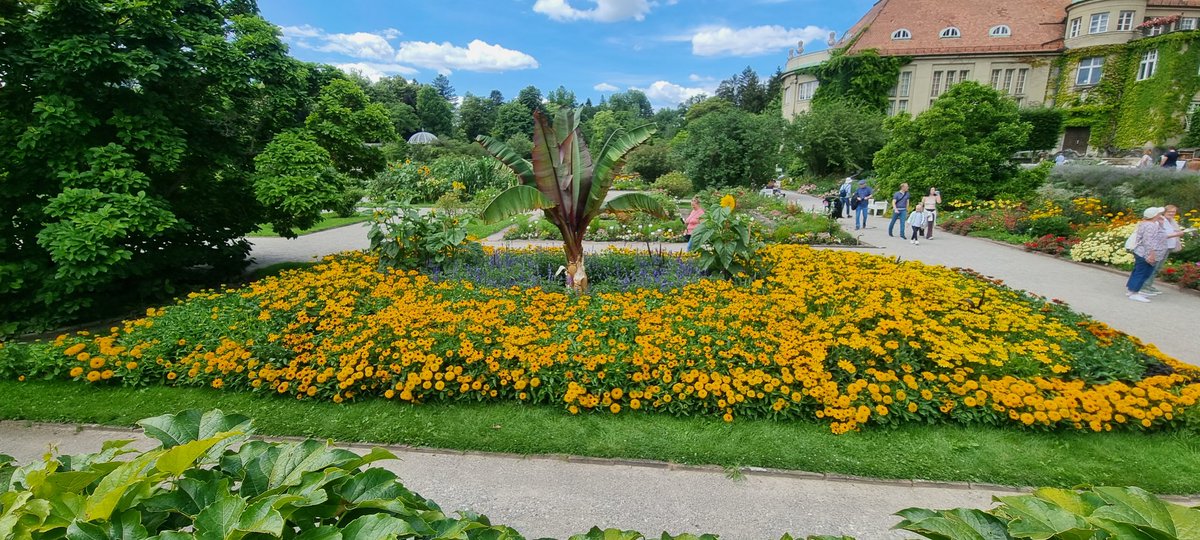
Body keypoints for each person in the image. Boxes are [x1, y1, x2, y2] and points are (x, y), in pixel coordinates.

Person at [1139, 204, 1189, 295]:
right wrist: (1176, 234)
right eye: (1169, 211)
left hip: (1168, 247)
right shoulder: (1160, 221)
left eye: (1173, 212)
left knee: (1158, 268)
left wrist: (1178, 232)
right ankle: (1144, 286)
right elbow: (1160, 235)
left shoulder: (1172, 221)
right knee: (1153, 267)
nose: (1171, 213)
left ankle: (1148, 285)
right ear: (1164, 212)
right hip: (1159, 247)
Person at [1126, 207, 1170, 303]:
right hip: (1144, 253)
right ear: (1154, 215)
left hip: (1140, 251)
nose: (1160, 215)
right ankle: (1134, 292)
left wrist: (1161, 225)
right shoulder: (1151, 226)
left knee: (1138, 271)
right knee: (1143, 272)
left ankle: (1131, 290)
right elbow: (1148, 241)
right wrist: (1151, 254)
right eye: (1158, 214)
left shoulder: (1145, 223)